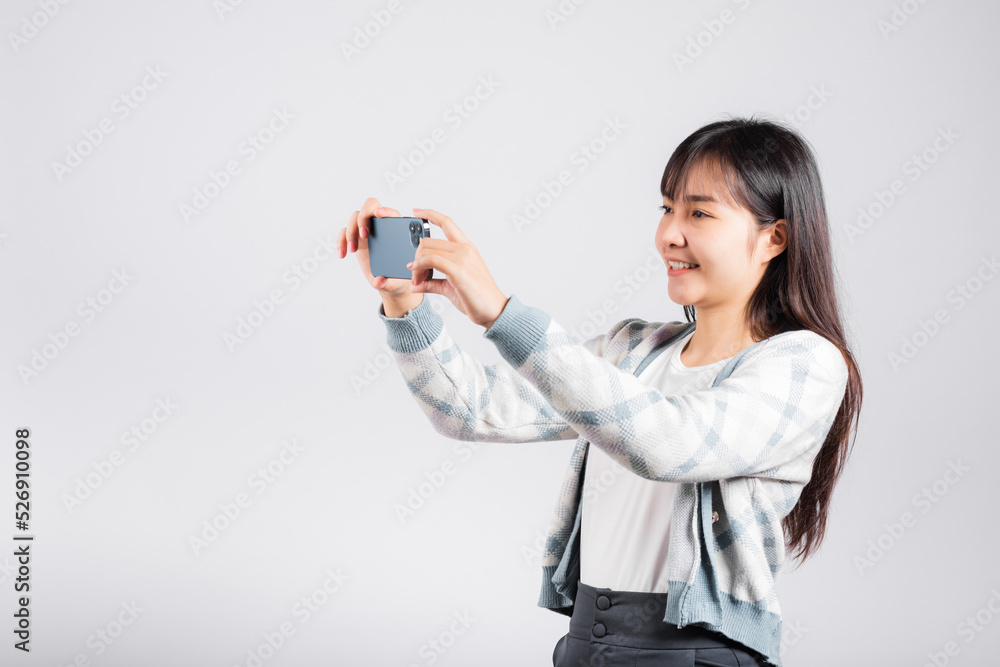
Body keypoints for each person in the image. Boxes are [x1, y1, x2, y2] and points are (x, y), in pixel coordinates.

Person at [338, 114, 863, 667]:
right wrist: (403, 303)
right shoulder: (633, 350)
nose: (669, 234)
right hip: (586, 642)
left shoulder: (805, 364)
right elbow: (469, 409)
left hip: (697, 652)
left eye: (699, 213)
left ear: (773, 238)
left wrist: (500, 313)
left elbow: (669, 443)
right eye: (666, 209)